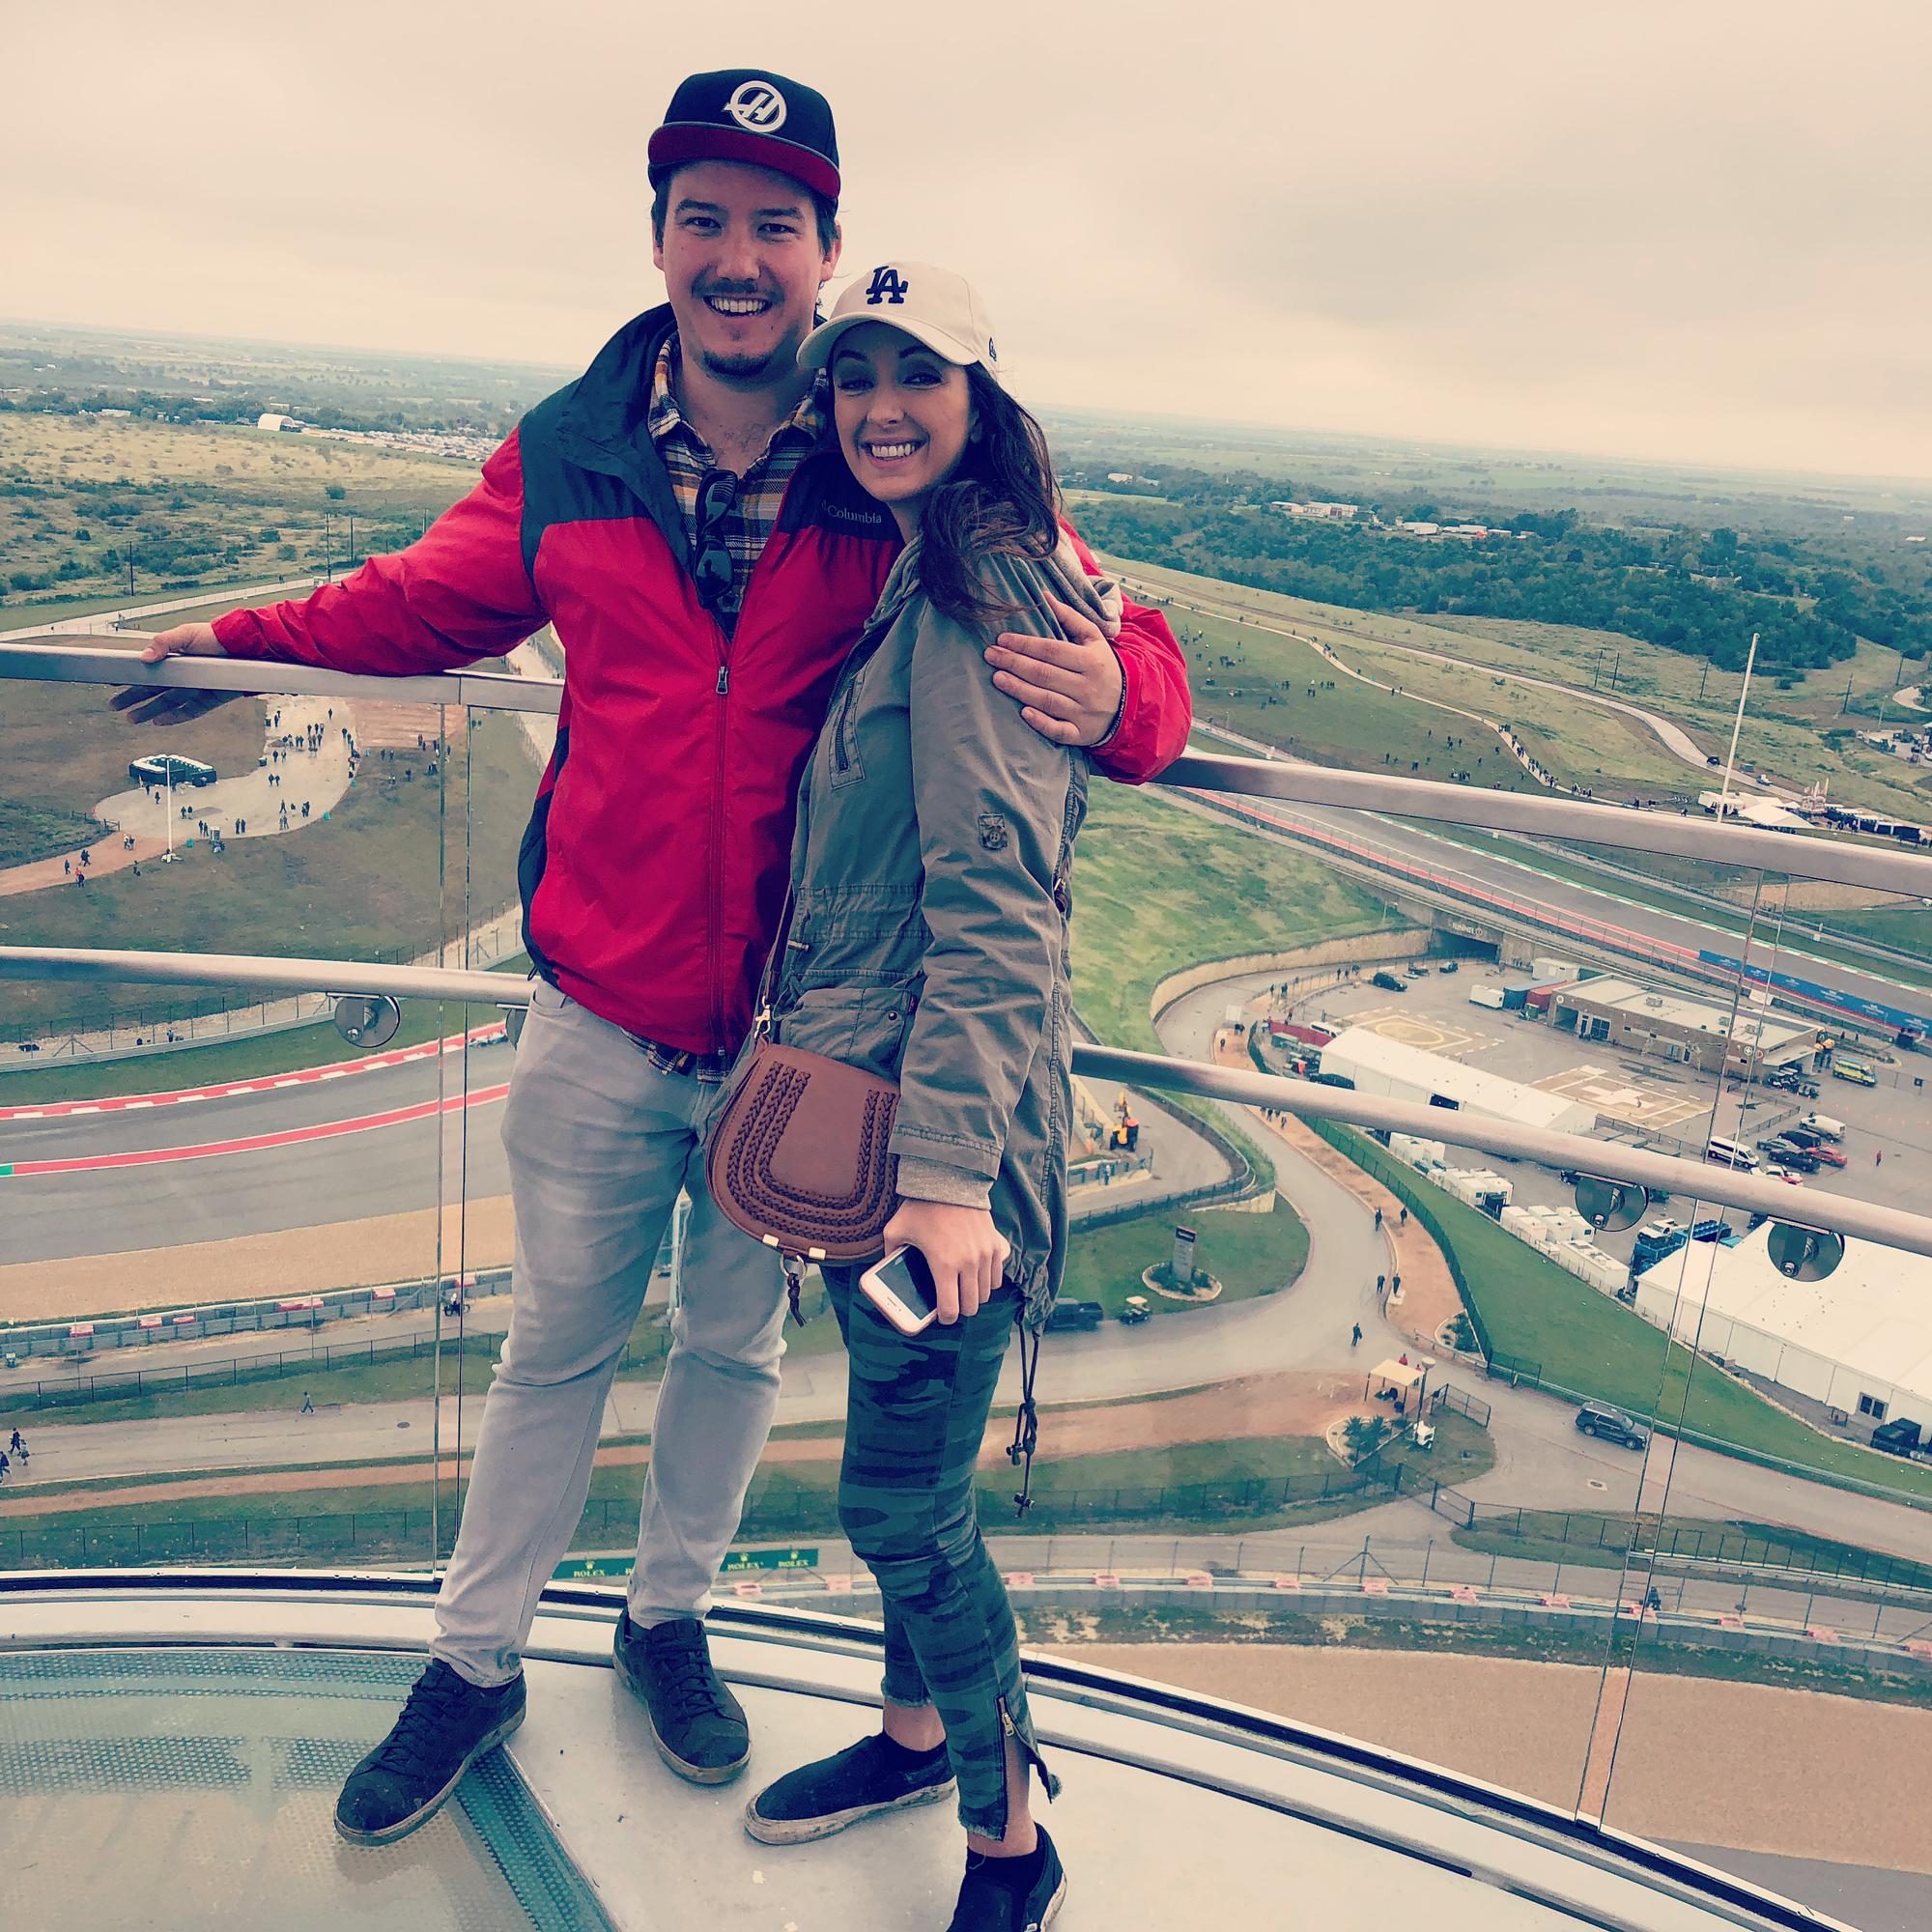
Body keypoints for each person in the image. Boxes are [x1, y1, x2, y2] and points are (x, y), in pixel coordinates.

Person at [115, 69, 1190, 1852]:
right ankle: (472, 1661)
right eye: (707, 218)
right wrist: (244, 643)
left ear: (827, 255)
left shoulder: (882, 453)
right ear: (662, 242)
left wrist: (1141, 703)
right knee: (554, 1347)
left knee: (731, 1351)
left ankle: (667, 1621)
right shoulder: (576, 447)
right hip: (604, 1007)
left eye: (778, 225)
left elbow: (1084, 605)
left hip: (796, 1049)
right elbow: (424, 598)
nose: (740, 258)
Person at [736, 262, 1080, 1930]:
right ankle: (910, 1733)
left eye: (916, 377)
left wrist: (946, 1178)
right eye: (854, 373)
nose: (880, 405)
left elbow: (1001, 907)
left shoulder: (979, 593)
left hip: (944, 1147)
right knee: (901, 1487)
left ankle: (1012, 1840)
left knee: (904, 1509)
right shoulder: (933, 560)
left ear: (981, 398)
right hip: (881, 1111)